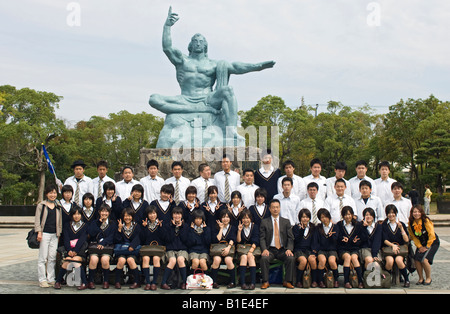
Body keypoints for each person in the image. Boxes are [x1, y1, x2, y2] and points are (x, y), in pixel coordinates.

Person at [149, 7, 275, 148]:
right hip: (185, 99)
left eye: (201, 41)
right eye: (195, 41)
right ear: (190, 45)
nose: (198, 43)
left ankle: (231, 130)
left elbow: (236, 67)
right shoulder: (182, 61)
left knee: (228, 90)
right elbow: (167, 48)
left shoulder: (214, 64)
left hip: (208, 99)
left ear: (205, 45)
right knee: (153, 98)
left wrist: (258, 66)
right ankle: (192, 110)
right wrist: (167, 26)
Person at [259, 199, 295, 289]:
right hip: (270, 249)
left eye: (277, 207)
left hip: (283, 249)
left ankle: (287, 281)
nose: (275, 209)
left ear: (280, 208)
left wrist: (289, 249)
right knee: (264, 258)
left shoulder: (286, 222)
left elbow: (291, 238)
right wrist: (264, 249)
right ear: (270, 209)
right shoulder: (264, 222)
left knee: (290, 258)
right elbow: (262, 238)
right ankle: (265, 281)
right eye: (273, 207)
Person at [54, 206, 89, 290]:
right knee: (66, 262)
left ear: (81, 215)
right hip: (68, 250)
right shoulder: (67, 225)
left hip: (80, 251)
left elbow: (82, 240)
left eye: (78, 214)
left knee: (75, 262)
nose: (76, 216)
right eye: (74, 214)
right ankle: (58, 281)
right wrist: (69, 250)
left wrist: (76, 251)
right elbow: (66, 238)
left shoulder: (85, 226)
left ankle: (85, 282)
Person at [35, 184, 62, 288]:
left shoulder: (58, 206)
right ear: (46, 194)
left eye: (54, 193)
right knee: (43, 258)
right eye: (50, 192)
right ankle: (42, 279)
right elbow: (37, 220)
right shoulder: (42, 205)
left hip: (54, 234)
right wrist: (39, 232)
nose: (53, 195)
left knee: (52, 257)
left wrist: (59, 234)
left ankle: (51, 278)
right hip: (44, 234)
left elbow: (59, 221)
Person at [408, 204, 440, 285]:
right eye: (414, 212)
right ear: (412, 213)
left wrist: (427, 247)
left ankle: (428, 278)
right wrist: (419, 247)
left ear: (421, 213)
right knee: (416, 259)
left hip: (432, 242)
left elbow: (431, 235)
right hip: (421, 244)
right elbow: (413, 237)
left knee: (424, 260)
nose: (416, 214)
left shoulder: (426, 221)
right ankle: (421, 278)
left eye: (418, 212)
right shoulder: (410, 223)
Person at [87, 203, 117, 289]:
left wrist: (102, 243)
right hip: (95, 248)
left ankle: (106, 281)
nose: (104, 213)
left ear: (109, 213)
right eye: (102, 211)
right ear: (99, 212)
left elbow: (112, 237)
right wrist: (98, 223)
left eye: (106, 211)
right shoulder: (94, 222)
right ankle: (91, 281)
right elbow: (92, 234)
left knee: (105, 260)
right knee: (93, 259)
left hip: (107, 247)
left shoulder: (112, 224)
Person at [160, 206, 190, 290]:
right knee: (172, 260)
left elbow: (185, 240)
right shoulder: (167, 225)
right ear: (172, 215)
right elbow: (168, 239)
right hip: (170, 249)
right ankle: (163, 283)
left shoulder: (186, 226)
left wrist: (181, 227)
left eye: (179, 214)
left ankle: (184, 282)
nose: (177, 216)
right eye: (175, 214)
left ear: (182, 215)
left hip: (182, 249)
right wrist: (173, 227)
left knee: (180, 259)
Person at [381, 204, 410, 287]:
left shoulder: (401, 224)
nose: (391, 215)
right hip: (388, 249)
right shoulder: (384, 225)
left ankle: (406, 279)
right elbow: (384, 239)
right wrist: (392, 246)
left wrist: (401, 228)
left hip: (400, 249)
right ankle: (387, 278)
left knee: (399, 260)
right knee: (389, 261)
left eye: (393, 213)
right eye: (389, 213)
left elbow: (406, 240)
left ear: (396, 213)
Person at [336, 206, 364, 289]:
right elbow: (338, 237)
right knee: (347, 257)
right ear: (343, 216)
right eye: (345, 215)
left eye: (349, 214)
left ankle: (360, 281)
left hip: (354, 248)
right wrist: (342, 239)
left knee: (354, 258)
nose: (347, 216)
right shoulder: (339, 224)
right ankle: (346, 281)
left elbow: (361, 238)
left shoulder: (358, 224)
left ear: (352, 215)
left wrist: (355, 241)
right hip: (343, 248)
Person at [114, 207, 142, 289]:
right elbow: (116, 240)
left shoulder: (136, 226)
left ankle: (137, 281)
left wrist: (132, 246)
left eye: (129, 216)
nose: (127, 218)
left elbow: (138, 238)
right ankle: (117, 281)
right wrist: (119, 229)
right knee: (121, 260)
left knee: (130, 260)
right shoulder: (120, 226)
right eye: (125, 216)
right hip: (122, 250)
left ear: (132, 216)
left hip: (132, 250)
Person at [210, 209, 238, 289]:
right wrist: (221, 228)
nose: (225, 219)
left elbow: (233, 239)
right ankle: (214, 281)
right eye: (223, 217)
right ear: (220, 218)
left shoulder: (232, 228)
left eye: (227, 217)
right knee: (216, 260)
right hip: (217, 250)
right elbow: (216, 239)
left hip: (228, 249)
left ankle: (232, 282)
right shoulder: (215, 227)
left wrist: (228, 248)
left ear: (230, 218)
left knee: (228, 260)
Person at [141, 205, 165, 291]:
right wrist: (144, 228)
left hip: (157, 249)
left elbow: (164, 238)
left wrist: (161, 227)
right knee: (146, 259)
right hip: (147, 249)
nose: (152, 215)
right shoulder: (144, 224)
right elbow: (142, 239)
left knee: (156, 259)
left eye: (154, 213)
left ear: (157, 214)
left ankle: (154, 282)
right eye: (150, 213)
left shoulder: (160, 224)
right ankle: (148, 282)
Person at [292, 208, 318, 288]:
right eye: (303, 217)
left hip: (309, 250)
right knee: (303, 261)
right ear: (300, 218)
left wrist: (313, 252)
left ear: (309, 218)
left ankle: (314, 280)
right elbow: (297, 240)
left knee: (312, 260)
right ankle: (299, 281)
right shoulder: (296, 228)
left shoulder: (313, 227)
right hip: (299, 250)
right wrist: (302, 230)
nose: (305, 219)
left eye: (307, 217)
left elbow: (315, 240)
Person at [315, 208, 339, 288]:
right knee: (322, 260)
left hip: (332, 250)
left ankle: (336, 280)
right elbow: (316, 240)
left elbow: (336, 240)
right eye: (322, 217)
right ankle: (320, 281)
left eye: (325, 216)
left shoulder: (335, 227)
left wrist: (332, 236)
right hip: (322, 250)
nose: (324, 219)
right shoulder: (318, 227)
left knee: (332, 261)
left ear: (329, 216)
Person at [236, 208, 260, 290]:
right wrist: (239, 231)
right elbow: (238, 241)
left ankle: (253, 283)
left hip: (252, 249)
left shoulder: (255, 227)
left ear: (250, 218)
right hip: (242, 249)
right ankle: (243, 283)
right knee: (244, 257)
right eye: (243, 218)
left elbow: (256, 240)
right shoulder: (240, 227)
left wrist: (250, 251)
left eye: (247, 218)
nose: (245, 220)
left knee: (250, 257)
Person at [186, 210, 211, 274]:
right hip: (193, 250)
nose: (198, 220)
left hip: (204, 250)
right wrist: (192, 231)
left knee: (202, 262)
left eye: (200, 219)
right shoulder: (190, 229)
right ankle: (191, 278)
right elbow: (190, 243)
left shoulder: (207, 229)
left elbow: (208, 242)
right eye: (196, 218)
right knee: (196, 262)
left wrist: (205, 230)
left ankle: (206, 280)